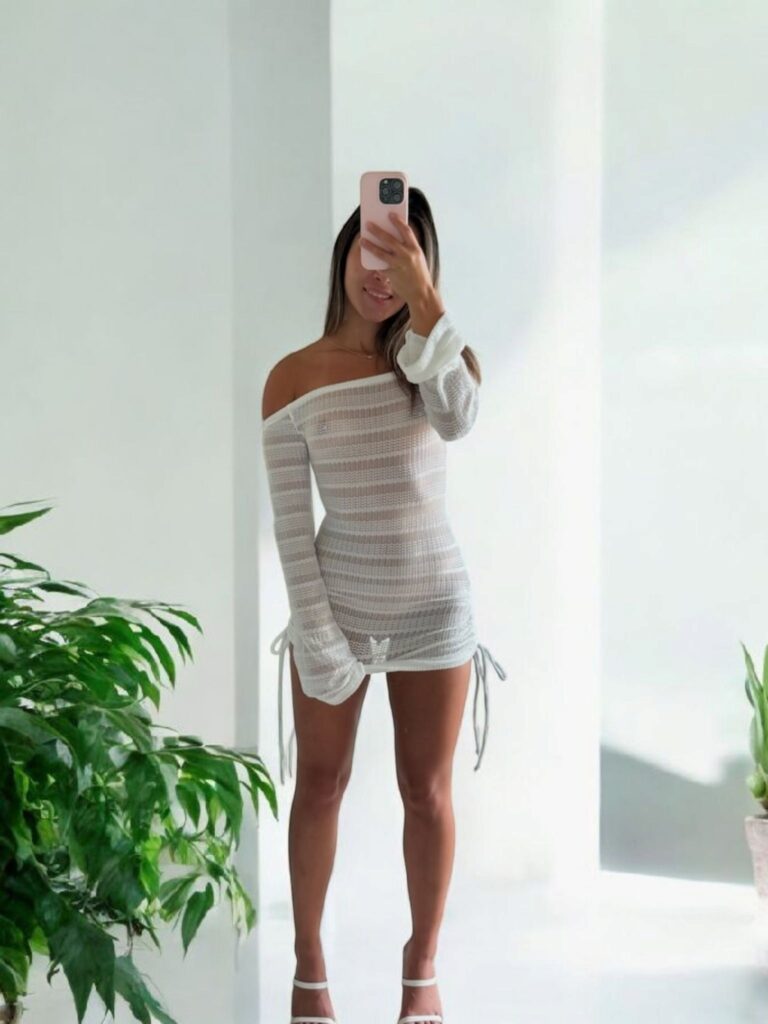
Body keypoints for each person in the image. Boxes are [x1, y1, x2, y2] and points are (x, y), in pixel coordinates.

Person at [261, 187, 506, 1024]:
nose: (381, 276)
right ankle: (309, 968)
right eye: (371, 253)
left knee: (426, 792)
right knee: (320, 785)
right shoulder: (291, 378)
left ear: (422, 271)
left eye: (401, 261)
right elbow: (291, 528)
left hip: (435, 609)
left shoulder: (435, 361)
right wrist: (318, 635)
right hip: (336, 606)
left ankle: (421, 967)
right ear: (345, 252)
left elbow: (460, 421)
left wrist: (428, 305)